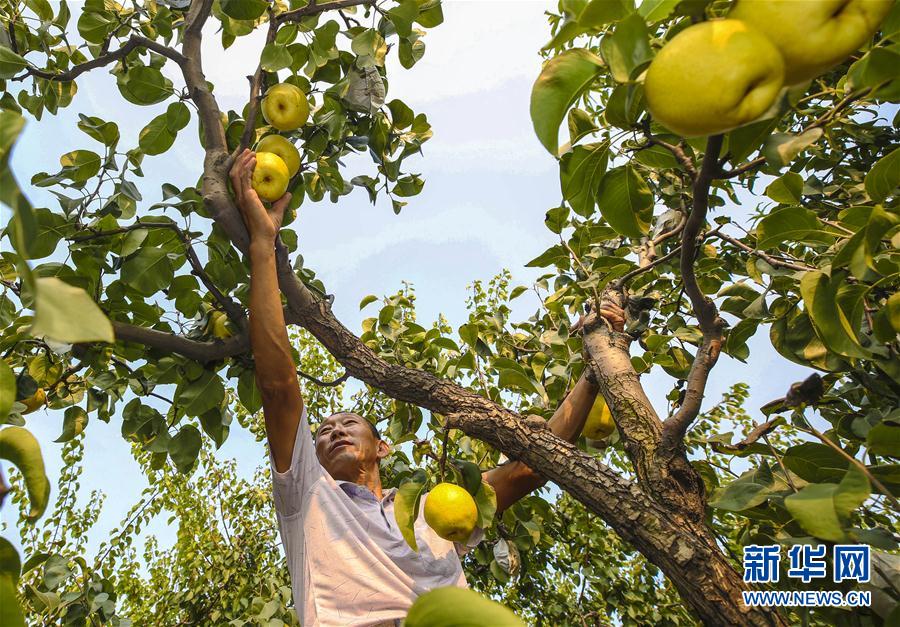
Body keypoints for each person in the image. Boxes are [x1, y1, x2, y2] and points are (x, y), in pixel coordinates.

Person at [229, 149, 606, 626]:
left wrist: (595, 371)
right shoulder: (306, 495)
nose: (334, 431)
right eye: (324, 431)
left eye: (349, 424)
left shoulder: (432, 511)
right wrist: (263, 245)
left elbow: (531, 468)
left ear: (383, 447)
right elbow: (279, 385)